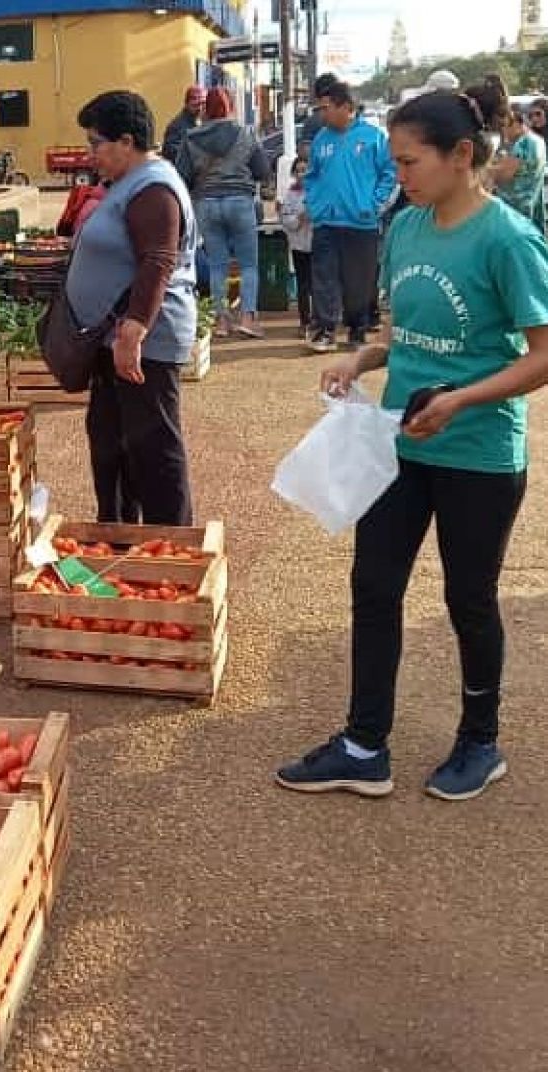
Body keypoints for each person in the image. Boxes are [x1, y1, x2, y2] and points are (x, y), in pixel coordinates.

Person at [276, 83, 548, 803]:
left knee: (469, 598)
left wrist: (462, 398)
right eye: (394, 163)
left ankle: (479, 741)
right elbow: (403, 332)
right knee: (373, 587)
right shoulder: (406, 227)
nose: (398, 177)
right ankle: (365, 745)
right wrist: (360, 359)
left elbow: (543, 352)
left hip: (479, 454)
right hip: (400, 445)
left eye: (408, 162)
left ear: (462, 156)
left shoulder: (507, 239)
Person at [66, 90, 197, 526]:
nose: (91, 155)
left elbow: (159, 259)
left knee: (152, 447)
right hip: (114, 337)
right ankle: (118, 536)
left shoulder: (154, 186)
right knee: (112, 442)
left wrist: (133, 330)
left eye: (96, 144)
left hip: (145, 343)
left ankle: (171, 549)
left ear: (126, 141)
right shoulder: (128, 184)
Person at [303, 80, 397, 354]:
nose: (323, 114)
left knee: (359, 279)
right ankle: (325, 330)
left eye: (327, 108)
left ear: (347, 107)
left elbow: (389, 174)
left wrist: (374, 203)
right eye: (320, 108)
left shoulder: (372, 137)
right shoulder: (321, 139)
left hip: (361, 221)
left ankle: (357, 329)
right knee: (324, 277)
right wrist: (315, 204)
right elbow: (312, 176)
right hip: (327, 222)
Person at [176, 87, 269, 338]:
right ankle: (248, 318)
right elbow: (262, 170)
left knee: (217, 265)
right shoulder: (245, 133)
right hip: (240, 202)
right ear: (230, 107)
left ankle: (221, 321)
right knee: (248, 264)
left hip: (206, 204)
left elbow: (181, 175)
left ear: (206, 109)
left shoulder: (191, 138)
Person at [491, 105, 547, 229]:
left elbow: (505, 175)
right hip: (531, 203)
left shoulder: (522, 143)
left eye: (505, 126)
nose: (504, 131)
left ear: (517, 123)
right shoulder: (538, 140)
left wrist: (485, 169)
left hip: (515, 207)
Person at [279, 158, 313, 339]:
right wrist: (299, 219)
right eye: (298, 170)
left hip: (317, 244)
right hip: (299, 244)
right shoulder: (290, 195)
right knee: (303, 284)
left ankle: (319, 319)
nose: (302, 174)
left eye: (305, 170)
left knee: (319, 284)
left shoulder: (318, 190)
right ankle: (305, 321)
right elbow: (285, 219)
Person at [161, 85, 207, 165]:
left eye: (203, 103)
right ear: (187, 103)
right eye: (196, 104)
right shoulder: (177, 125)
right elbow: (170, 152)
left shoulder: (201, 121)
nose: (200, 108)